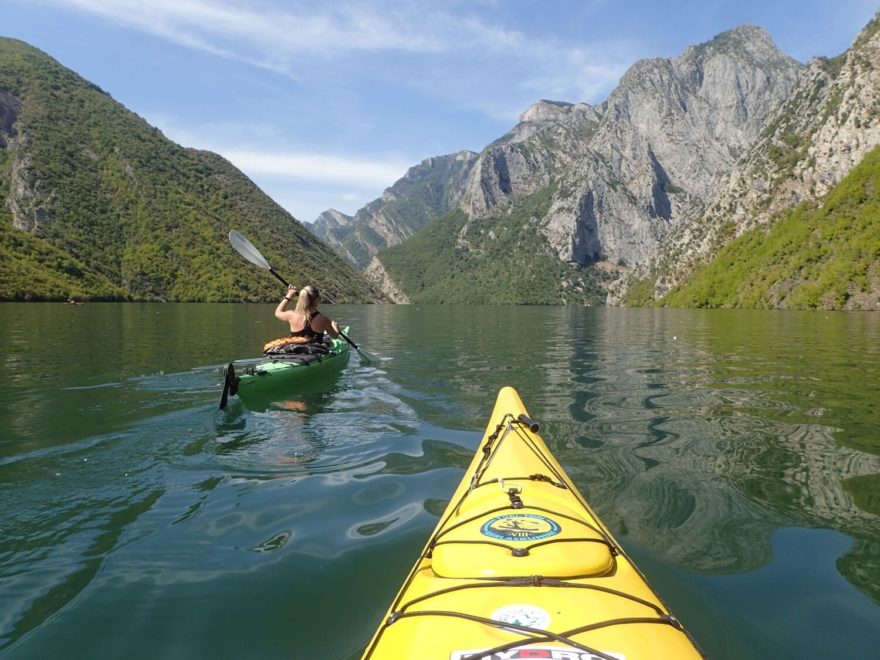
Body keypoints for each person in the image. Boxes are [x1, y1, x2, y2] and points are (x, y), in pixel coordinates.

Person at [274, 284, 340, 343]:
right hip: (314, 353)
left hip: (295, 351)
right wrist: (335, 327)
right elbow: (335, 336)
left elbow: (277, 313)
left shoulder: (291, 315)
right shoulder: (323, 319)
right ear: (317, 300)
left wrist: (289, 295)